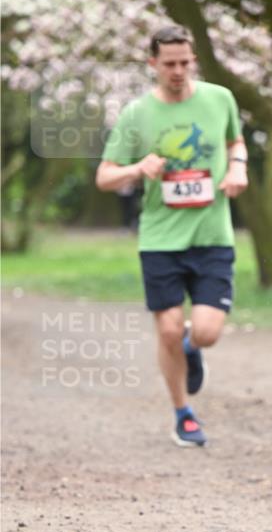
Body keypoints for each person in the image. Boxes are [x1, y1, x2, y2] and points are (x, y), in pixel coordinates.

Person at [96, 26, 248, 447]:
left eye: (185, 62)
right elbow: (105, 177)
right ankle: (183, 413)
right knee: (164, 330)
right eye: (169, 64)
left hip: (213, 234)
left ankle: (190, 345)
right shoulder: (136, 114)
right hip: (160, 239)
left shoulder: (220, 99)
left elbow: (236, 141)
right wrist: (136, 169)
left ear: (193, 59)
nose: (178, 71)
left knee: (206, 332)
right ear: (153, 64)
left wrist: (238, 167)